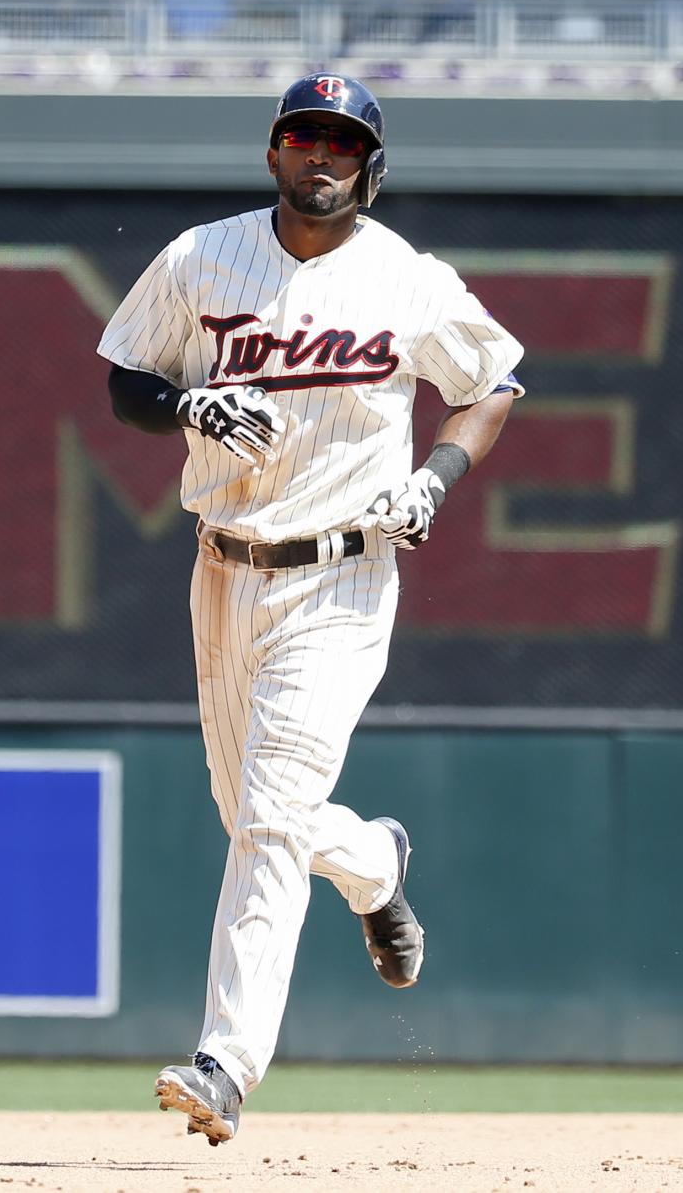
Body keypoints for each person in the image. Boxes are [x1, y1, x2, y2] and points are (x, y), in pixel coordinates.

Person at [97, 71, 524, 1146]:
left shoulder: (405, 280)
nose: (318, 155)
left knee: (271, 820)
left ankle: (224, 1064)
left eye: (340, 141)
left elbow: (493, 382)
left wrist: (432, 480)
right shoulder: (203, 257)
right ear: (273, 153)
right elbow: (121, 374)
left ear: (368, 167)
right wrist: (180, 399)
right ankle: (374, 863)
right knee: (253, 819)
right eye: (301, 136)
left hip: (340, 574)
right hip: (223, 568)